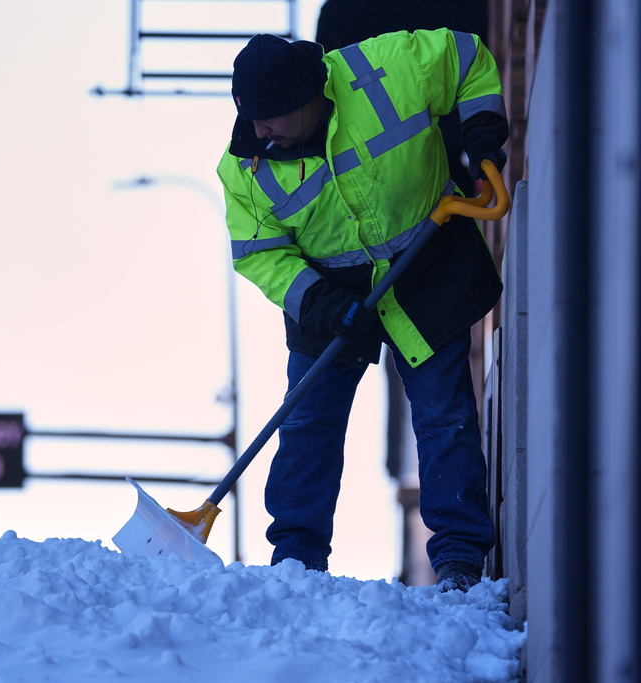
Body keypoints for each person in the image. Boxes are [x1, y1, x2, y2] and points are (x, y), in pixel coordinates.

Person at [216, 29, 508, 592]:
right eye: (252, 119)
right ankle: (297, 562)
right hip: (327, 294)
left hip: (423, 263)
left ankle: (460, 562)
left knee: (444, 413)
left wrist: (482, 134)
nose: (261, 131)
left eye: (273, 116)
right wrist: (324, 304)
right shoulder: (243, 170)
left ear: (309, 96)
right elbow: (259, 255)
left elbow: (465, 57)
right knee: (307, 424)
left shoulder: (385, 68)